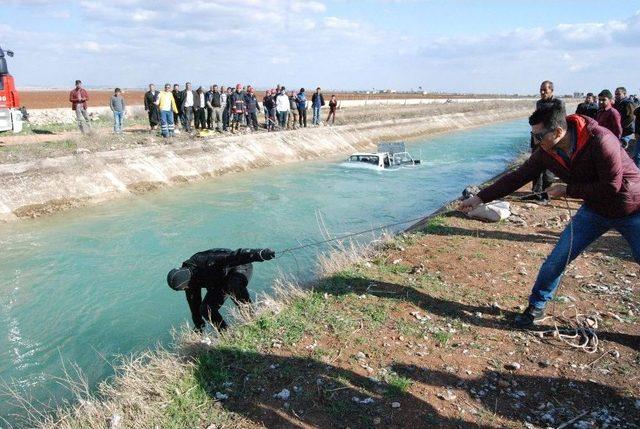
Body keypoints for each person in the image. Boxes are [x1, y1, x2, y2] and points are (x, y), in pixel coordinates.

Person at [459, 104, 640, 328]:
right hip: (595, 210)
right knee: (557, 259)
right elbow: (518, 177)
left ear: (557, 132)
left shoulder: (601, 140)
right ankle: (537, 306)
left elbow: (612, 186)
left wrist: (567, 190)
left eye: (539, 135)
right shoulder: (547, 152)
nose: (536, 141)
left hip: (631, 208)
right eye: (533, 135)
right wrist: (479, 198)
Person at [167, 247, 276, 331]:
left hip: (239, 267)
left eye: (185, 288)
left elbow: (235, 255)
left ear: (187, 282)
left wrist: (259, 254)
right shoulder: (189, 283)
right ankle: (226, 334)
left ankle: (252, 318)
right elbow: (194, 305)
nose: (186, 289)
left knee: (234, 285)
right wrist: (199, 326)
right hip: (220, 280)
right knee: (205, 309)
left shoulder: (204, 261)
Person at [527, 81, 565, 201]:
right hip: (538, 139)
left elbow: (562, 121)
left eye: (545, 90)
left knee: (549, 167)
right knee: (535, 165)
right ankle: (535, 193)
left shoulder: (558, 103)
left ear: (551, 90)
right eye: (541, 90)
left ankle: (545, 194)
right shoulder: (539, 103)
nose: (542, 92)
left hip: (552, 139)